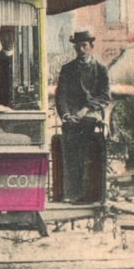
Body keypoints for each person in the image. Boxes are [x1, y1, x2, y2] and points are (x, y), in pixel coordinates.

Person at [55, 29, 112, 203]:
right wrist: (66, 114)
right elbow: (61, 96)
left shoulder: (100, 69)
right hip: (72, 116)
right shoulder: (67, 69)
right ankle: (71, 193)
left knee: (86, 135)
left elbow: (105, 97)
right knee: (69, 141)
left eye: (84, 46)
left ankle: (89, 193)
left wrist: (86, 108)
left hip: (91, 114)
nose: (81, 50)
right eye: (78, 46)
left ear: (91, 46)